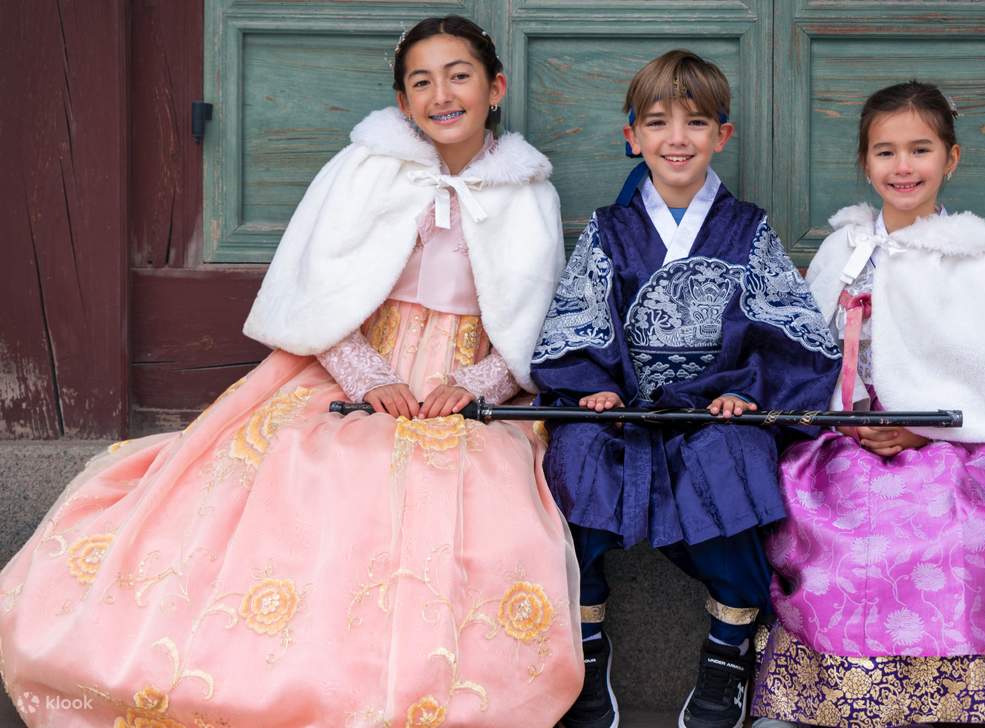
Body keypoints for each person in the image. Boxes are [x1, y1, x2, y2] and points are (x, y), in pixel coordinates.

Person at [0, 15, 582, 728]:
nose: (441, 95)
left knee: (476, 495)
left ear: (493, 88)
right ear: (401, 102)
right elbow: (317, 294)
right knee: (319, 467)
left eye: (458, 75)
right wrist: (368, 376)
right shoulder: (365, 170)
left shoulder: (528, 191)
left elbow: (531, 324)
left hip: (460, 388)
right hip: (352, 368)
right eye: (420, 82)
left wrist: (479, 382)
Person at [750, 81, 985, 728]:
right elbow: (805, 350)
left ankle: (969, 705)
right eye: (884, 152)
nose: (902, 167)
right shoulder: (841, 251)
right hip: (843, 441)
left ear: (950, 159)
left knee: (974, 531)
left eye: (919, 150)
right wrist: (834, 421)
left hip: (949, 447)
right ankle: (818, 702)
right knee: (836, 530)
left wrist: (923, 431)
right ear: (864, 162)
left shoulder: (975, 262)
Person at [530, 50, 840, 728]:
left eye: (696, 123)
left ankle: (725, 656)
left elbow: (790, 332)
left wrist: (747, 392)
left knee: (732, 462)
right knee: (576, 458)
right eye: (658, 123)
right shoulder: (610, 230)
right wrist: (590, 386)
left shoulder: (747, 230)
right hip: (624, 411)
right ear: (631, 136)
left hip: (714, 411)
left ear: (720, 136)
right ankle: (584, 651)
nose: (677, 139)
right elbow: (575, 321)